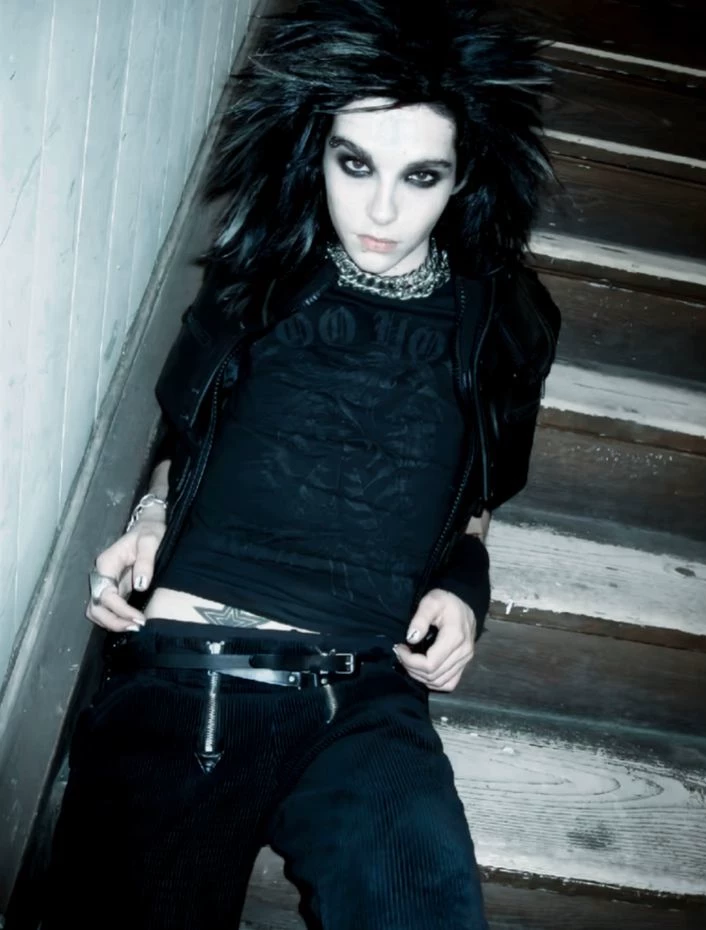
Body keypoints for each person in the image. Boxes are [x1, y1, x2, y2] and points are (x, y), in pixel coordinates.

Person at [42, 1, 560, 928]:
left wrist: (463, 583)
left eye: (421, 175)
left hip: (372, 695)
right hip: (204, 664)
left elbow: (476, 496)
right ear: (315, 152)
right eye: (354, 164)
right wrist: (150, 518)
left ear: (464, 177)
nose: (382, 209)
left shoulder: (508, 317)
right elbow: (188, 438)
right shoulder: (259, 277)